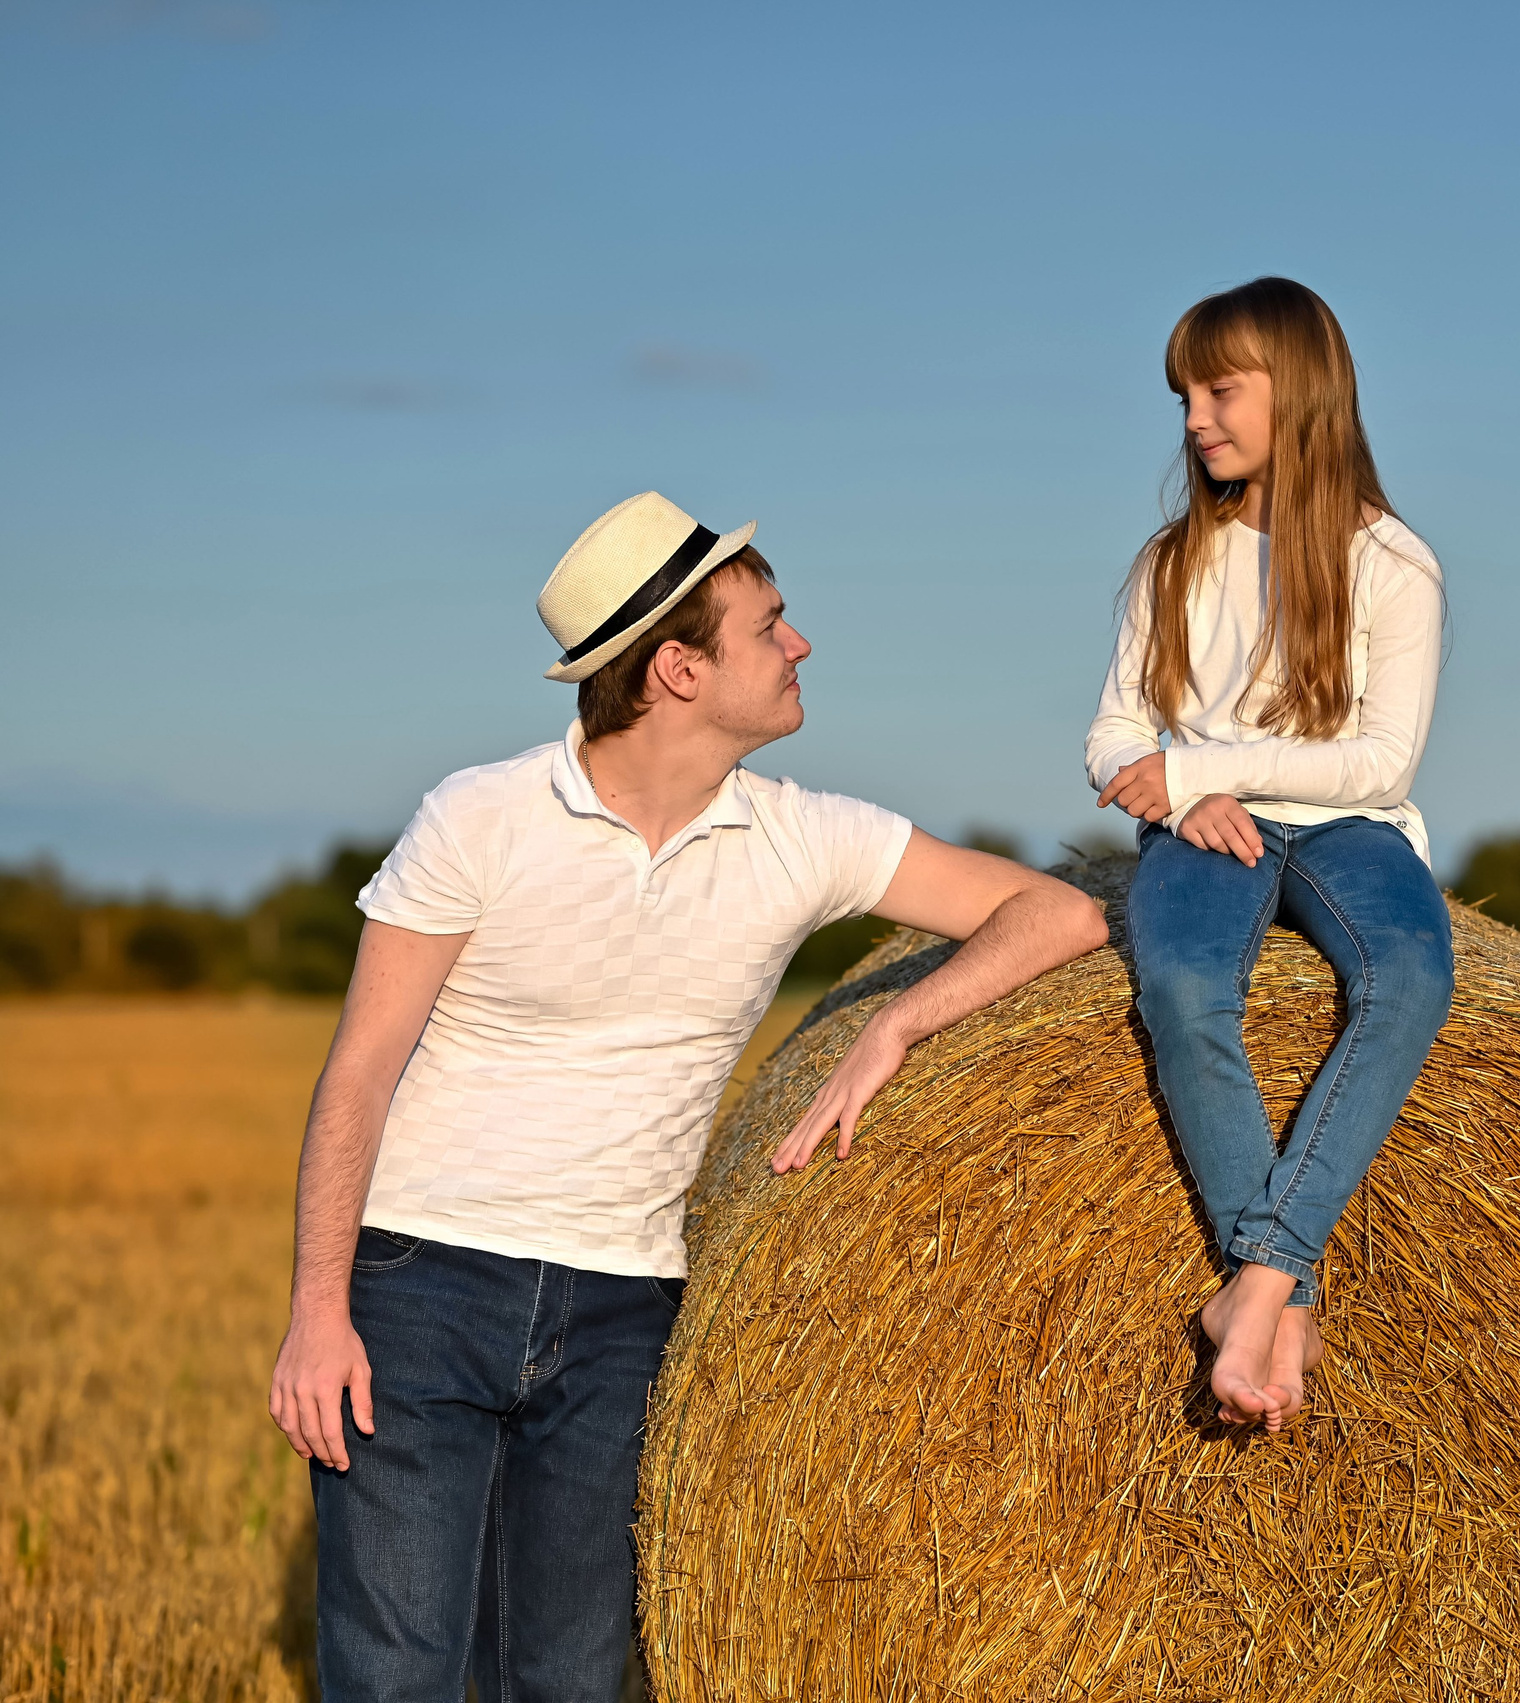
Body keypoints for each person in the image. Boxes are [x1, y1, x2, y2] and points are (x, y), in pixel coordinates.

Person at [267, 491, 1106, 1700]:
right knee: (396, 1675)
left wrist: (899, 1020)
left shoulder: (802, 837)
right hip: (422, 1283)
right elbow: (358, 1068)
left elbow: (1059, 912)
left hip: (624, 1310)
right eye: (769, 625)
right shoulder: (478, 817)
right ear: (677, 668)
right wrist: (318, 1308)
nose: (800, 643)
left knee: (566, 1679)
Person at [1088, 277, 1454, 1434]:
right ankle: (1284, 1303)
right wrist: (1175, 790)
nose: (1195, 418)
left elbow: (1381, 763)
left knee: (1411, 975)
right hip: (1205, 828)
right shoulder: (1171, 562)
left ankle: (1259, 1277)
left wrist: (1200, 764)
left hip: (1348, 826)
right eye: (1184, 397)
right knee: (1183, 983)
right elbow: (1110, 732)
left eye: (1220, 391)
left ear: (1300, 392)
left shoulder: (1392, 562)